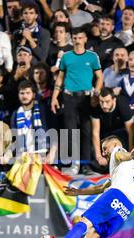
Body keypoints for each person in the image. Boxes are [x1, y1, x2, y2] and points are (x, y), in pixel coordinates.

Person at [43, 136, 134, 238]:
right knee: (91, 236)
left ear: (115, 144)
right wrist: (78, 192)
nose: (103, 153)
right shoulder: (123, 171)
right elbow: (99, 188)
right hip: (127, 209)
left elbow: (121, 155)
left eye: (105, 148)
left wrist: (131, 154)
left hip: (117, 195)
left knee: (85, 221)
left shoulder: (117, 151)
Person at [51, 27, 103, 175]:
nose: (77, 41)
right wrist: (55, 96)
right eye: (75, 38)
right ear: (71, 39)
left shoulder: (92, 57)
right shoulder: (66, 57)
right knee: (70, 131)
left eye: (80, 38)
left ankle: (86, 165)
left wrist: (97, 91)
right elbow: (60, 78)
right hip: (69, 96)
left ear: (85, 39)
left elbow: (100, 77)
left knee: (86, 131)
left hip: (86, 97)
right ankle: (73, 164)